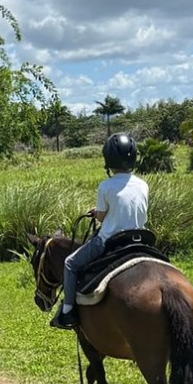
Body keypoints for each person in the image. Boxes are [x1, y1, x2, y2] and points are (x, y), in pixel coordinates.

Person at [51, 133, 148, 329]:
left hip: (110, 240)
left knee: (70, 263)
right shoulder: (143, 184)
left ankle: (68, 310)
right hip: (140, 239)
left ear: (108, 160)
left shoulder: (105, 186)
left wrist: (96, 213)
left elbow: (103, 217)